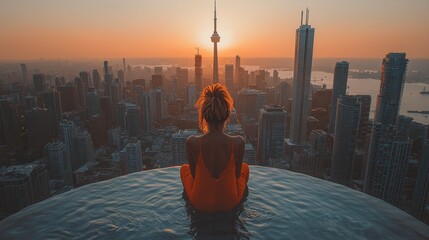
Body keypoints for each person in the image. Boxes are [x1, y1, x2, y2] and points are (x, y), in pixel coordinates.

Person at [180, 83, 249, 213]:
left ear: (204, 116)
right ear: (226, 115)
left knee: (184, 169)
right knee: (245, 168)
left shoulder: (192, 142)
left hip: (199, 203)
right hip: (230, 203)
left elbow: (194, 176)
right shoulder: (239, 142)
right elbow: (237, 175)